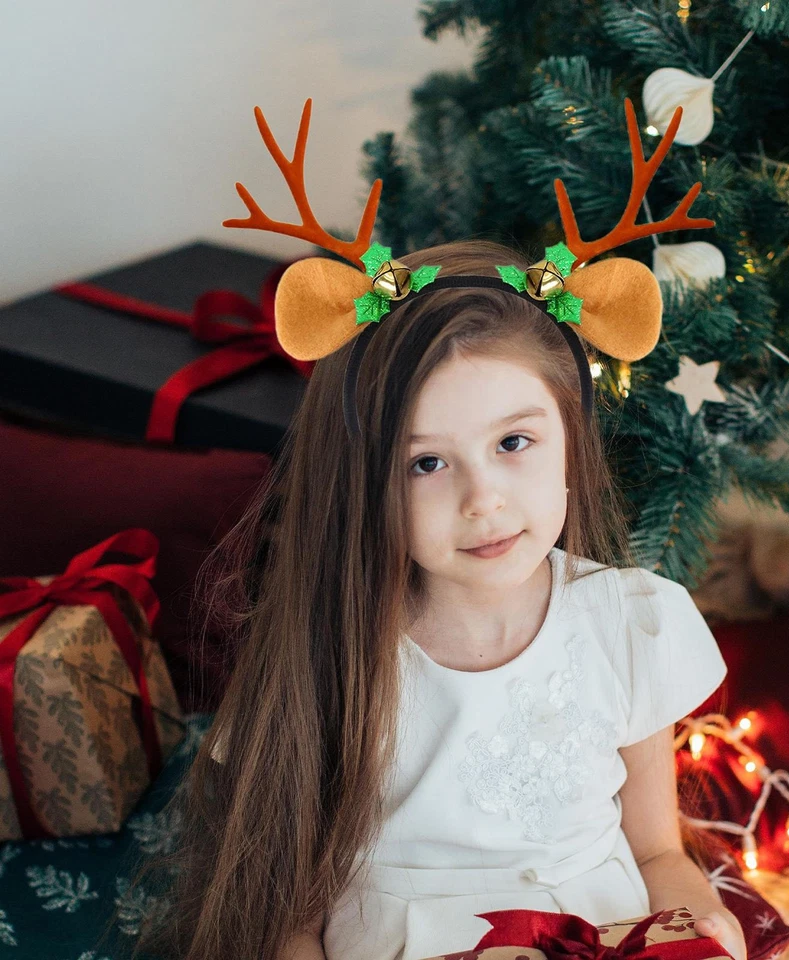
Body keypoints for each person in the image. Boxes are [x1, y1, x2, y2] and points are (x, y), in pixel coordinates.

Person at [120, 100, 747, 960]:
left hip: (597, 936)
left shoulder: (627, 622)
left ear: (571, 436)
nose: (483, 499)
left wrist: (700, 926)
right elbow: (290, 920)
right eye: (427, 464)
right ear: (362, 480)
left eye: (514, 443)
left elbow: (656, 853)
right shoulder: (330, 645)